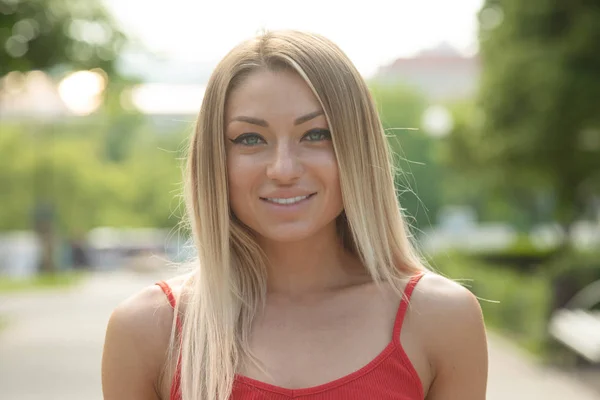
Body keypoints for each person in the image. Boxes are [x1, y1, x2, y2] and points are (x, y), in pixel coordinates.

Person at [101, 30, 488, 400]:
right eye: (251, 139)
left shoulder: (440, 320)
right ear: (215, 160)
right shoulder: (149, 333)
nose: (283, 169)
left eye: (316, 134)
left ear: (358, 149)